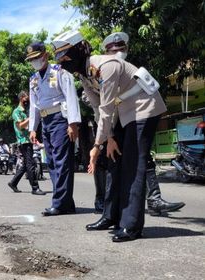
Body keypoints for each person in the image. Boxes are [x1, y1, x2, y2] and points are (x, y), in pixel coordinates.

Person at [53, 30, 166, 242]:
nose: (62, 63)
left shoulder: (106, 66)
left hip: (143, 109)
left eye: (65, 56)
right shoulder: (85, 75)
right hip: (123, 114)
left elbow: (106, 109)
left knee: (133, 166)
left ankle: (131, 225)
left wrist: (96, 146)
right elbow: (97, 110)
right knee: (114, 161)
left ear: (79, 51)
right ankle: (111, 216)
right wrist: (110, 138)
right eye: (59, 59)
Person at [101, 32, 185, 216]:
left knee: (142, 157)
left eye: (121, 49)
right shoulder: (103, 71)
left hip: (132, 118)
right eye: (113, 50)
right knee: (117, 165)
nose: (118, 53)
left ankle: (153, 199)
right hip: (112, 124)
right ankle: (112, 208)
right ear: (105, 53)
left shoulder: (131, 70)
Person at [26, 42, 81, 216]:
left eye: (36, 58)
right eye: (31, 59)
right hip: (45, 121)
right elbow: (34, 106)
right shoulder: (34, 79)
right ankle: (66, 203)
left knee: (61, 162)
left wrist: (73, 123)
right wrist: (32, 128)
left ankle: (59, 203)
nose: (34, 61)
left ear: (45, 55)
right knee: (51, 163)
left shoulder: (59, 72)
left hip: (61, 119)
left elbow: (71, 97)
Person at [7, 91, 46, 195]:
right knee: (30, 164)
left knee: (25, 165)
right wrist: (31, 117)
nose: (27, 101)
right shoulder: (17, 112)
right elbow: (21, 126)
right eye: (26, 99)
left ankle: (13, 182)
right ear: (21, 98)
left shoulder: (25, 111)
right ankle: (35, 188)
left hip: (28, 140)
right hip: (23, 141)